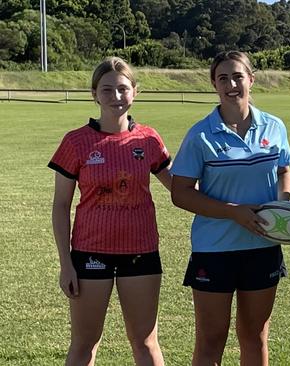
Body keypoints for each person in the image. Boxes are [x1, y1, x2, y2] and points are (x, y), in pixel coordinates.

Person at [170, 50, 290, 366]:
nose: (231, 84)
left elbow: (283, 169)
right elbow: (181, 193)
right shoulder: (200, 134)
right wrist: (233, 211)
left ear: (251, 79)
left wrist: (284, 202)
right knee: (211, 340)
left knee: (255, 337)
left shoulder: (274, 126)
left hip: (262, 246)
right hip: (215, 250)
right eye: (222, 78)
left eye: (238, 76)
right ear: (214, 84)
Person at [49, 56, 172, 366]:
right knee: (84, 345)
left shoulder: (149, 139)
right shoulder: (75, 142)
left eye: (122, 89)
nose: (115, 97)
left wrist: (226, 199)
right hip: (90, 254)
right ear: (94, 94)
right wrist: (66, 264)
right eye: (107, 90)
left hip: (141, 252)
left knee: (145, 342)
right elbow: (61, 206)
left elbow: (179, 188)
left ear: (135, 92)